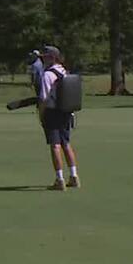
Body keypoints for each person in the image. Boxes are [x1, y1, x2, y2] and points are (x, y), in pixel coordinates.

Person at [38, 46, 79, 190]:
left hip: (52, 113)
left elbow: (43, 98)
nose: (44, 59)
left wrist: (41, 115)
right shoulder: (65, 72)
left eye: (46, 57)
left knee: (55, 145)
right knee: (66, 144)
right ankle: (74, 176)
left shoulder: (47, 75)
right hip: (66, 112)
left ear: (52, 57)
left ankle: (59, 179)